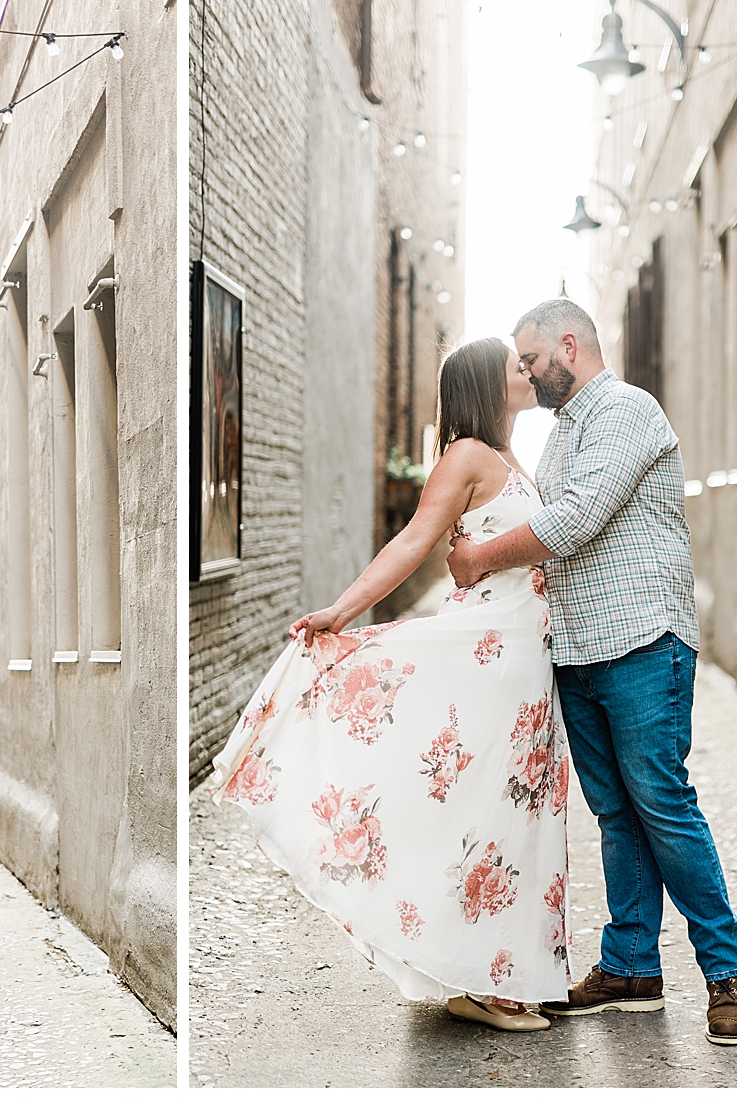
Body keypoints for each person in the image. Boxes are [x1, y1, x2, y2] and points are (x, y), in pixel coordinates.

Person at [211, 337, 570, 1033]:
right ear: (485, 386)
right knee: (489, 812)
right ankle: (484, 982)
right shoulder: (467, 455)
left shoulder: (513, 457)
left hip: (527, 663)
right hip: (490, 657)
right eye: (514, 369)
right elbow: (413, 541)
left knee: (517, 813)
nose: (527, 374)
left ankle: (492, 972)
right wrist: (341, 613)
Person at [447, 298, 737, 1046]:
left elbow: (579, 517)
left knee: (663, 803)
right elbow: (563, 534)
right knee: (617, 814)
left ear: (569, 345)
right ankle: (631, 970)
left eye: (530, 359)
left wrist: (482, 558)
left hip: (644, 640)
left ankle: (725, 976)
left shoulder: (626, 411)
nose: (523, 373)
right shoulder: (559, 438)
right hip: (579, 650)